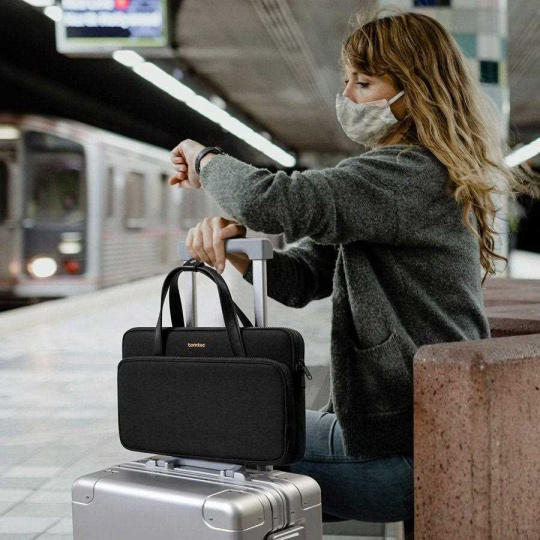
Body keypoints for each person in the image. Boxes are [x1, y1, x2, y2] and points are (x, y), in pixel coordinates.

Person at [167, 8, 539, 535]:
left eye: (363, 83)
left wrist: (203, 157)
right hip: (404, 432)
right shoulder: (408, 179)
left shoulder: (406, 173)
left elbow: (271, 201)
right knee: (217, 434)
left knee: (197, 439)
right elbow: (303, 279)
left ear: (415, 91)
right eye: (348, 81)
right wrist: (239, 253)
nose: (346, 96)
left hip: (397, 452)